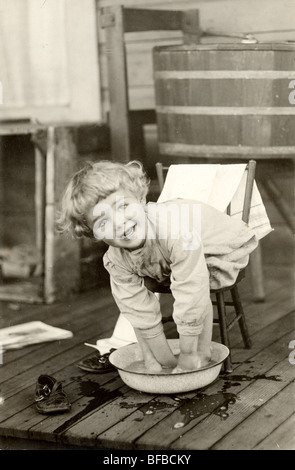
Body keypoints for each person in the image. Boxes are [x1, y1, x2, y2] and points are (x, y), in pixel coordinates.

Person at [57, 160, 258, 373]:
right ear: (93, 234)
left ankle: (201, 351)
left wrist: (187, 356)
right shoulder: (115, 260)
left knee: (199, 283)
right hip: (169, 256)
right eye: (102, 222)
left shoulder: (176, 232)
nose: (118, 222)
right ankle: (152, 357)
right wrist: (165, 361)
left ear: (141, 200)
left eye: (123, 206)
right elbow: (135, 307)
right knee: (135, 303)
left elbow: (191, 291)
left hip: (218, 244)